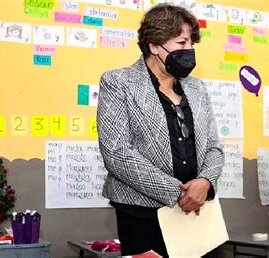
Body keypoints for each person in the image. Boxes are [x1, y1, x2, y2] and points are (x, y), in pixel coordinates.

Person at [97, 4, 224, 256]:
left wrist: (204, 182)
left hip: (198, 212)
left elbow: (213, 147)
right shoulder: (118, 83)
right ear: (154, 46)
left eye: (191, 44)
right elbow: (117, 152)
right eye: (181, 42)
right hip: (142, 215)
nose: (189, 51)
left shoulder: (197, 88)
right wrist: (178, 193)